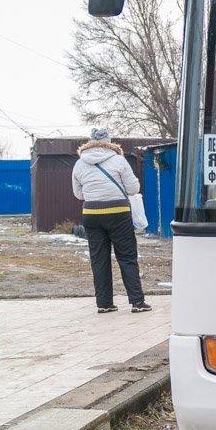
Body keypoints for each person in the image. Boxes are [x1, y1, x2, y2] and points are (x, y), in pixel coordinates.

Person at [71, 128, 150, 314]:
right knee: (127, 257)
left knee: (99, 259)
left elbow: (78, 193)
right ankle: (137, 302)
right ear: (109, 141)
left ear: (89, 142)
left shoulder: (80, 164)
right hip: (118, 213)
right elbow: (133, 188)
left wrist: (95, 194)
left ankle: (104, 303)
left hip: (91, 213)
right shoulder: (118, 160)